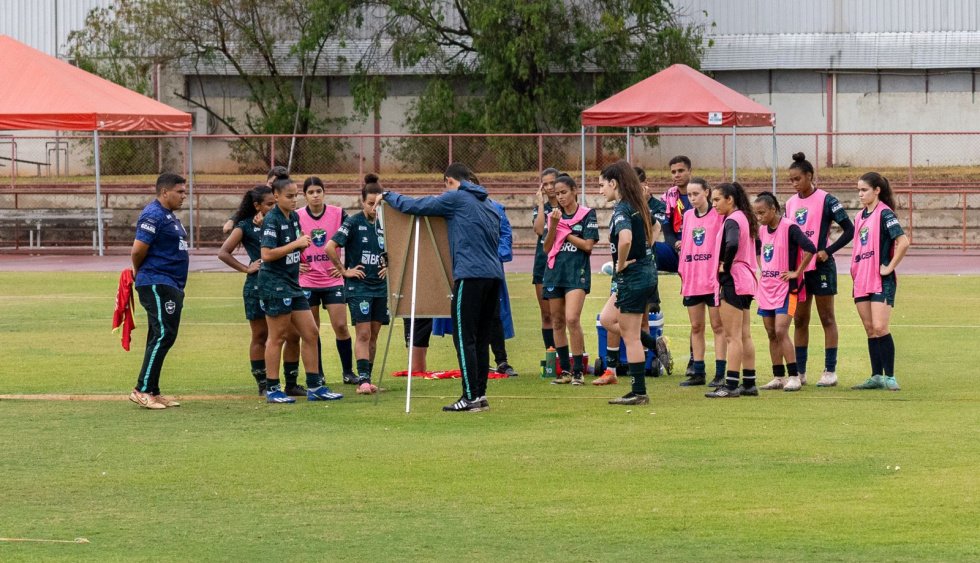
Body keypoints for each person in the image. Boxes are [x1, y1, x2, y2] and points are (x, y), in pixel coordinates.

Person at [383, 162, 503, 412]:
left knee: (464, 338)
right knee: (481, 338)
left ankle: (469, 397)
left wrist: (388, 195)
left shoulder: (456, 198)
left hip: (470, 276)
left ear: (450, 181)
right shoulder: (489, 205)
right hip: (493, 276)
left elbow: (417, 206)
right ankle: (479, 394)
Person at [258, 175, 343, 403]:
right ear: (276, 197)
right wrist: (295, 245)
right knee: (278, 337)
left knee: (311, 332)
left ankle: (315, 386)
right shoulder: (272, 220)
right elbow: (266, 254)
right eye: (289, 196)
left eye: (296, 195)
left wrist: (301, 254)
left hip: (293, 284)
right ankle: (274, 389)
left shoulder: (294, 217)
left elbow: (297, 249)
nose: (294, 200)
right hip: (275, 285)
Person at [784, 152, 855, 387]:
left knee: (826, 318)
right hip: (799, 269)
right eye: (791, 180)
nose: (794, 184)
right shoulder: (790, 203)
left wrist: (828, 250)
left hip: (822, 266)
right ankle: (800, 372)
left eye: (798, 179)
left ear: (809, 176)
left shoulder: (827, 200)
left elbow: (849, 229)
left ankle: (830, 371)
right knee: (800, 320)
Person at [597, 161, 658, 405]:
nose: (600, 190)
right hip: (642, 273)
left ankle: (639, 392)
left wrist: (621, 263)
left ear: (614, 184)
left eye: (602, 185)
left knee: (630, 336)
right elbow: (655, 228)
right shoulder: (637, 205)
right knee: (607, 318)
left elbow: (625, 239)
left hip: (633, 276)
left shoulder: (623, 209)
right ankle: (654, 343)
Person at [128, 173, 190, 410]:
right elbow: (138, 250)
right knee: (165, 334)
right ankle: (141, 390)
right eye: (180, 191)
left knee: (159, 334)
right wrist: (139, 271)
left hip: (170, 283)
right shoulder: (153, 215)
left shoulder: (169, 217)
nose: (184, 196)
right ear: (165, 192)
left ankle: (152, 389)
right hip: (157, 281)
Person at [325, 174, 388, 395]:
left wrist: (390, 266)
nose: (374, 207)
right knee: (363, 334)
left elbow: (398, 250)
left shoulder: (386, 222)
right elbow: (329, 247)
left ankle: (368, 378)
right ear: (362, 202)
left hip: (380, 287)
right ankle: (362, 381)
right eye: (370, 203)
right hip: (358, 287)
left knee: (374, 333)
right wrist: (344, 271)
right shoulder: (352, 222)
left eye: (378, 203)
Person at [850, 172, 909, 391]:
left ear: (877, 191)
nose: (860, 194)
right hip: (861, 279)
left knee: (880, 327)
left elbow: (903, 242)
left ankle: (890, 377)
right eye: (859, 190)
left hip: (880, 280)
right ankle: (876, 376)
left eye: (864, 190)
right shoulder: (859, 217)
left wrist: (890, 266)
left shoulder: (885, 214)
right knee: (869, 329)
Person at [217, 185, 279, 395]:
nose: (273, 207)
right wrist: (246, 268)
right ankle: (262, 382)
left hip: (281, 283)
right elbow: (223, 253)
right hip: (257, 285)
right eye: (269, 204)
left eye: (275, 203)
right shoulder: (245, 226)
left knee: (282, 334)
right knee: (260, 335)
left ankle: (283, 380)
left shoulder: (281, 221)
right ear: (257, 206)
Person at [753, 192, 816, 392]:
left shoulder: (790, 227)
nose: (759, 217)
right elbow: (757, 250)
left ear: (773, 209)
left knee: (781, 330)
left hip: (786, 289)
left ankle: (794, 376)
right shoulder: (762, 231)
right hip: (766, 289)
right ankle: (778, 376)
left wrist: (797, 272)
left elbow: (810, 248)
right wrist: (761, 268)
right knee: (771, 333)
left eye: (762, 212)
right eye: (756, 213)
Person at [297, 176, 356, 385]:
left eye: (318, 191)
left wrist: (343, 268)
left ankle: (348, 372)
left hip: (332, 279)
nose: (315, 195)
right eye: (310, 192)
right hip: (307, 280)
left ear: (324, 192)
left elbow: (354, 238)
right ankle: (318, 373)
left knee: (341, 325)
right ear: (304, 195)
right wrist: (295, 264)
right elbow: (284, 242)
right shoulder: (296, 216)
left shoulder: (338, 214)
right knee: (312, 330)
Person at [542, 175, 599, 385]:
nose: (561, 197)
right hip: (554, 273)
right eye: (557, 194)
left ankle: (578, 371)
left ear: (574, 191)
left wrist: (565, 233)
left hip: (577, 274)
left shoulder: (586, 214)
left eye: (564, 192)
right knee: (557, 321)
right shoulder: (553, 216)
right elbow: (547, 248)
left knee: (572, 319)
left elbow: (587, 246)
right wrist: (556, 225)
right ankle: (565, 370)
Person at [705, 182, 759, 398]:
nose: (714, 204)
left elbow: (732, 243)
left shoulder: (733, 220)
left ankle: (731, 385)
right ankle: (749, 382)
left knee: (732, 336)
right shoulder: (743, 218)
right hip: (745, 280)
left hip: (734, 280)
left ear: (730, 199)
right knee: (744, 334)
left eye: (717, 199)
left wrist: (725, 265)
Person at [676, 178, 728, 387]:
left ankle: (720, 373)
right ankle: (698, 372)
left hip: (712, 279)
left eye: (696, 194)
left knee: (717, 326)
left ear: (706, 192)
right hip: (693, 279)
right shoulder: (688, 216)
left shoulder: (718, 215)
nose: (692, 198)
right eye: (689, 195)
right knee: (696, 326)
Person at [532, 168, 561, 354]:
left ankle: (571, 356)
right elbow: (539, 230)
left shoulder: (567, 205)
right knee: (546, 314)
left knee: (564, 316)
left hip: (561, 264)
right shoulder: (540, 208)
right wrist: (541, 205)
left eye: (553, 183)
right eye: (546, 184)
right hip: (542, 264)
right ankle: (552, 358)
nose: (550, 187)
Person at [653, 155, 694, 274]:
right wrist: (677, 244)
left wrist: (687, 244)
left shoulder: (701, 194)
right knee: (645, 247)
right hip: (675, 248)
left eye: (681, 171)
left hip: (698, 247)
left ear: (690, 171)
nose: (677, 175)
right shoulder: (668, 197)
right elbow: (667, 231)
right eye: (673, 172)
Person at [222, 166, 288, 235]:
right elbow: (244, 209)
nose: (273, 189)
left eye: (278, 186)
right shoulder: (259, 197)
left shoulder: (287, 209)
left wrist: (264, 225)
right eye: (271, 184)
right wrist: (232, 220)